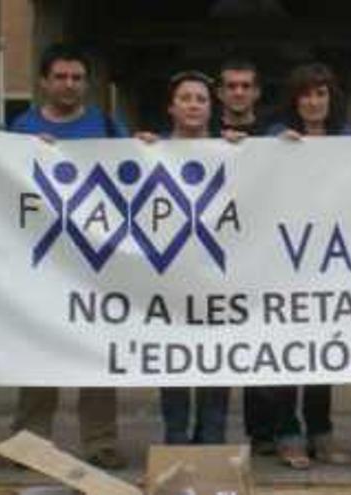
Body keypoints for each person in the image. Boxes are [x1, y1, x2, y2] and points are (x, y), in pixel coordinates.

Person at [9, 42, 128, 470]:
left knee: (95, 356)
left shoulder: (108, 128)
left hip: (93, 264)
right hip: (40, 266)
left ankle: (101, 443)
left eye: (77, 78)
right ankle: (29, 442)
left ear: (87, 84)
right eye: (60, 77)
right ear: (43, 81)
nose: (69, 85)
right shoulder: (19, 130)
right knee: (37, 353)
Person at [252, 63, 351, 469]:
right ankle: (287, 432)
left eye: (321, 94)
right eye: (306, 95)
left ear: (331, 99)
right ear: (295, 101)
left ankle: (320, 431)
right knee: (287, 354)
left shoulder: (347, 142)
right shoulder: (276, 138)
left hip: (330, 265)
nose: (314, 102)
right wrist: (275, 150)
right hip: (283, 264)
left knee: (323, 352)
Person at [151, 70, 232, 445]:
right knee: (174, 360)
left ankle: (213, 440)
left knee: (216, 361)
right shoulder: (150, 151)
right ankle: (176, 438)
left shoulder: (232, 151)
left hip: (219, 277)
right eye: (186, 98)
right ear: (171, 107)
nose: (194, 105)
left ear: (210, 108)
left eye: (201, 99)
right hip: (170, 276)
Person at [215, 58, 268, 136]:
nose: (239, 93)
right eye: (231, 86)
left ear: (257, 92)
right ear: (220, 93)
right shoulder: (207, 131)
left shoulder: (271, 132)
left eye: (246, 86)